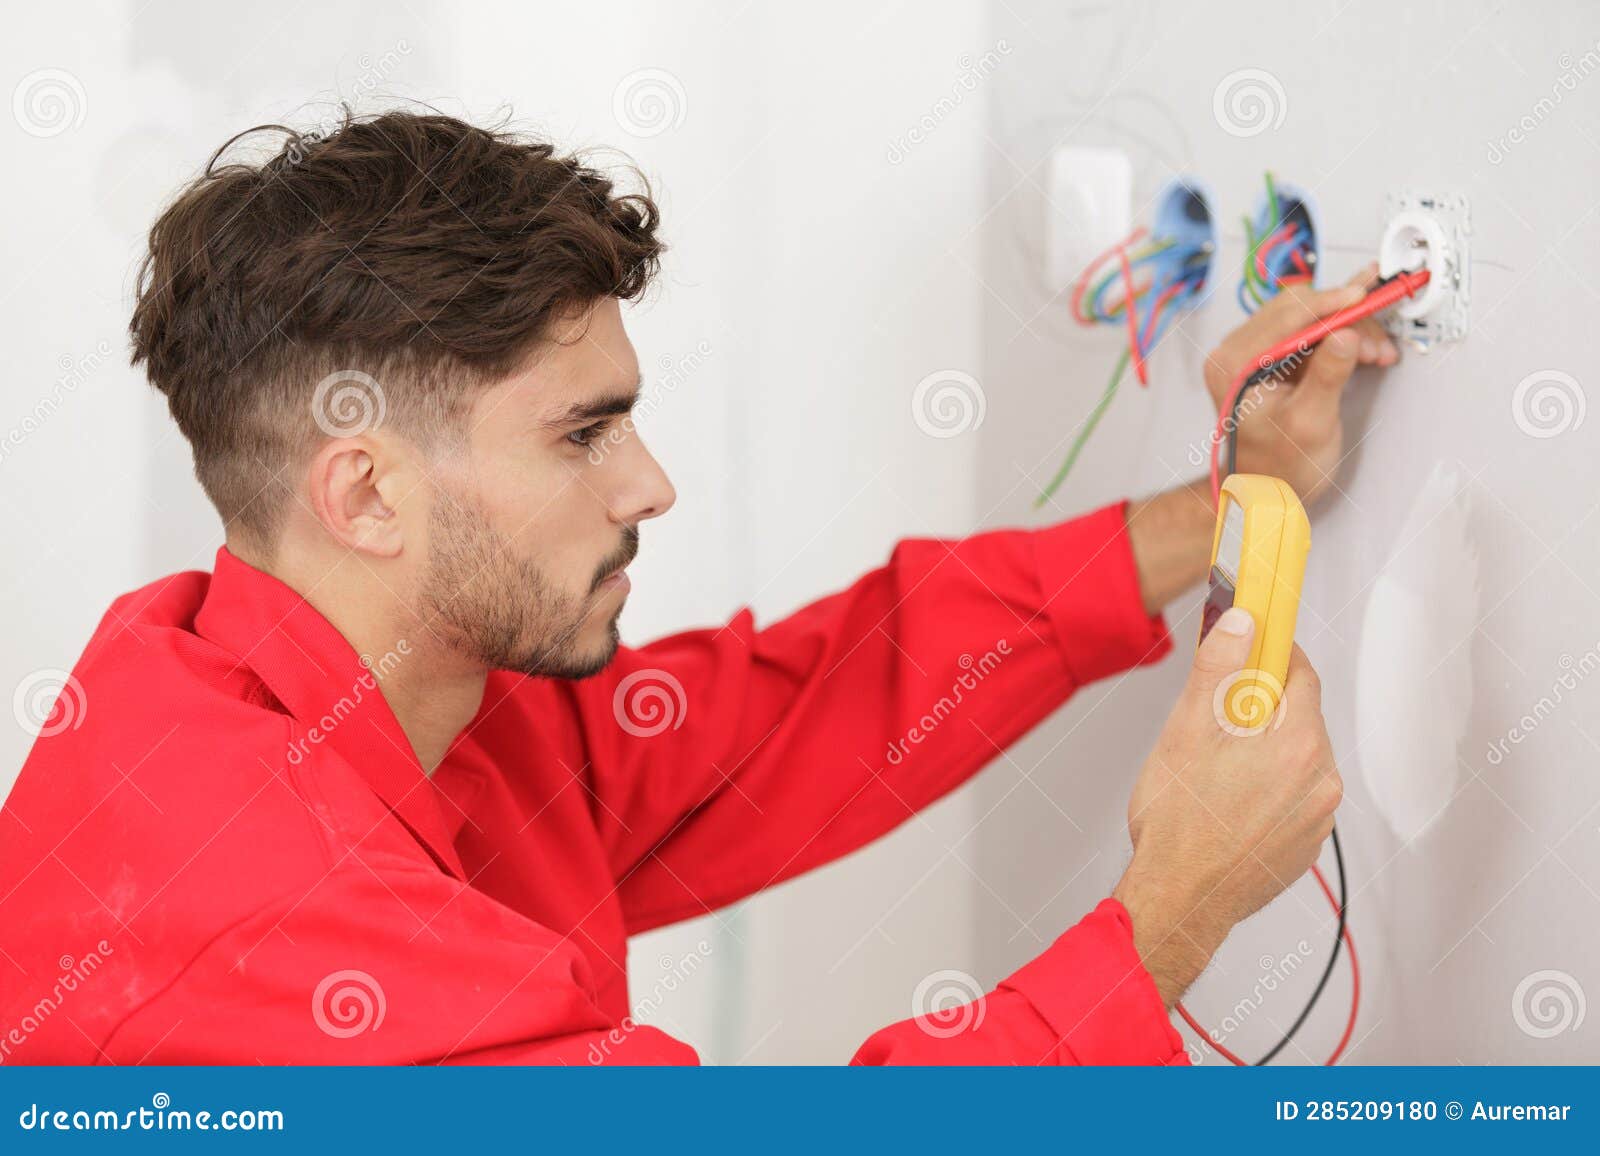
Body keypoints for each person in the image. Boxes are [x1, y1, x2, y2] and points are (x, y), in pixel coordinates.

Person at [0, 110, 1397, 1065]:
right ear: (364, 495)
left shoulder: (391, 688)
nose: (650, 485)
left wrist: (1229, 500)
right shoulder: (263, 917)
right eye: (582, 434)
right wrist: (1173, 914)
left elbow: (802, 715)